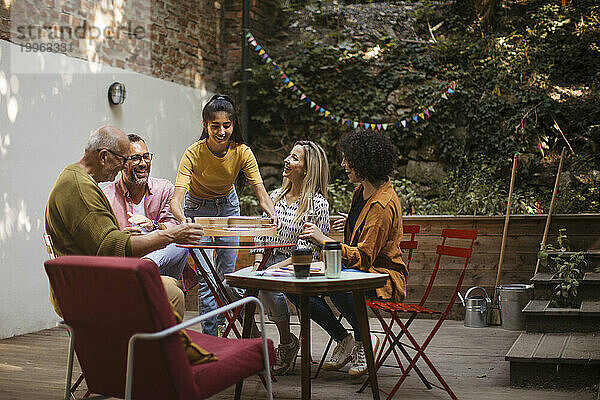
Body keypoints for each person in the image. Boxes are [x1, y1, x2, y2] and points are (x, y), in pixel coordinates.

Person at [45, 126, 205, 317]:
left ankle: (132, 345)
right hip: (88, 289)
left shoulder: (75, 179)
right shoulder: (81, 188)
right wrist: (170, 234)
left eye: (146, 157)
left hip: (88, 280)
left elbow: (96, 239)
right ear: (104, 156)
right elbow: (110, 246)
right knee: (172, 296)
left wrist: (126, 235)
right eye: (122, 159)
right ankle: (150, 347)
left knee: (170, 284)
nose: (122, 166)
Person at [298, 130, 407, 378]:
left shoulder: (382, 204)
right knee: (297, 287)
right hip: (359, 272)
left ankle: (366, 338)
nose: (343, 165)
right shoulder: (362, 191)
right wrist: (351, 223)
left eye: (348, 159)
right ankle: (343, 339)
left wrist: (323, 239)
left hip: (382, 276)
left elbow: (365, 257)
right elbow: (365, 235)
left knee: (338, 285)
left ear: (364, 162)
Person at [170, 94, 277, 336]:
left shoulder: (242, 152)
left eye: (226, 126)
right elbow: (176, 200)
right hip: (197, 211)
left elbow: (261, 193)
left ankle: (235, 327)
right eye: (215, 126)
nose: (221, 131)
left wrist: (271, 214)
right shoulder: (193, 153)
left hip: (228, 208)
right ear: (205, 125)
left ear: (233, 125)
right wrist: (183, 220)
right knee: (207, 278)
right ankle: (212, 336)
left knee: (227, 276)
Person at [253, 140, 330, 375]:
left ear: (307, 169)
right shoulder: (274, 196)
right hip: (266, 260)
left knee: (266, 285)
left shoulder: (317, 204)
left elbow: (305, 253)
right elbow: (262, 235)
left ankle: (286, 341)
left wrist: (268, 271)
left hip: (295, 267)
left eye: (295, 158)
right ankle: (257, 342)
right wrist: (258, 265)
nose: (287, 160)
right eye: (289, 155)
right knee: (227, 286)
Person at [103, 133, 190, 281]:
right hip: (126, 262)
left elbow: (174, 226)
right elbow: (103, 240)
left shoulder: (164, 188)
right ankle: (143, 271)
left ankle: (146, 266)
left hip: (159, 261)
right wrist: (122, 236)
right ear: (122, 163)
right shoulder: (107, 196)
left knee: (180, 242)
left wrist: (154, 225)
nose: (143, 163)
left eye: (146, 157)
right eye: (135, 158)